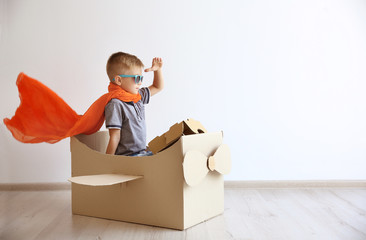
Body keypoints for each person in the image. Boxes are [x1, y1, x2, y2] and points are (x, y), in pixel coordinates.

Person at [104, 52, 164, 156]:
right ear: (119, 80)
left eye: (141, 78)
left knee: (165, 157)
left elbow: (157, 87)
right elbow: (115, 136)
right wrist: (108, 162)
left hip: (141, 152)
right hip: (128, 156)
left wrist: (157, 70)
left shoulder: (138, 96)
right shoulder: (115, 104)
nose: (140, 82)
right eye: (137, 78)